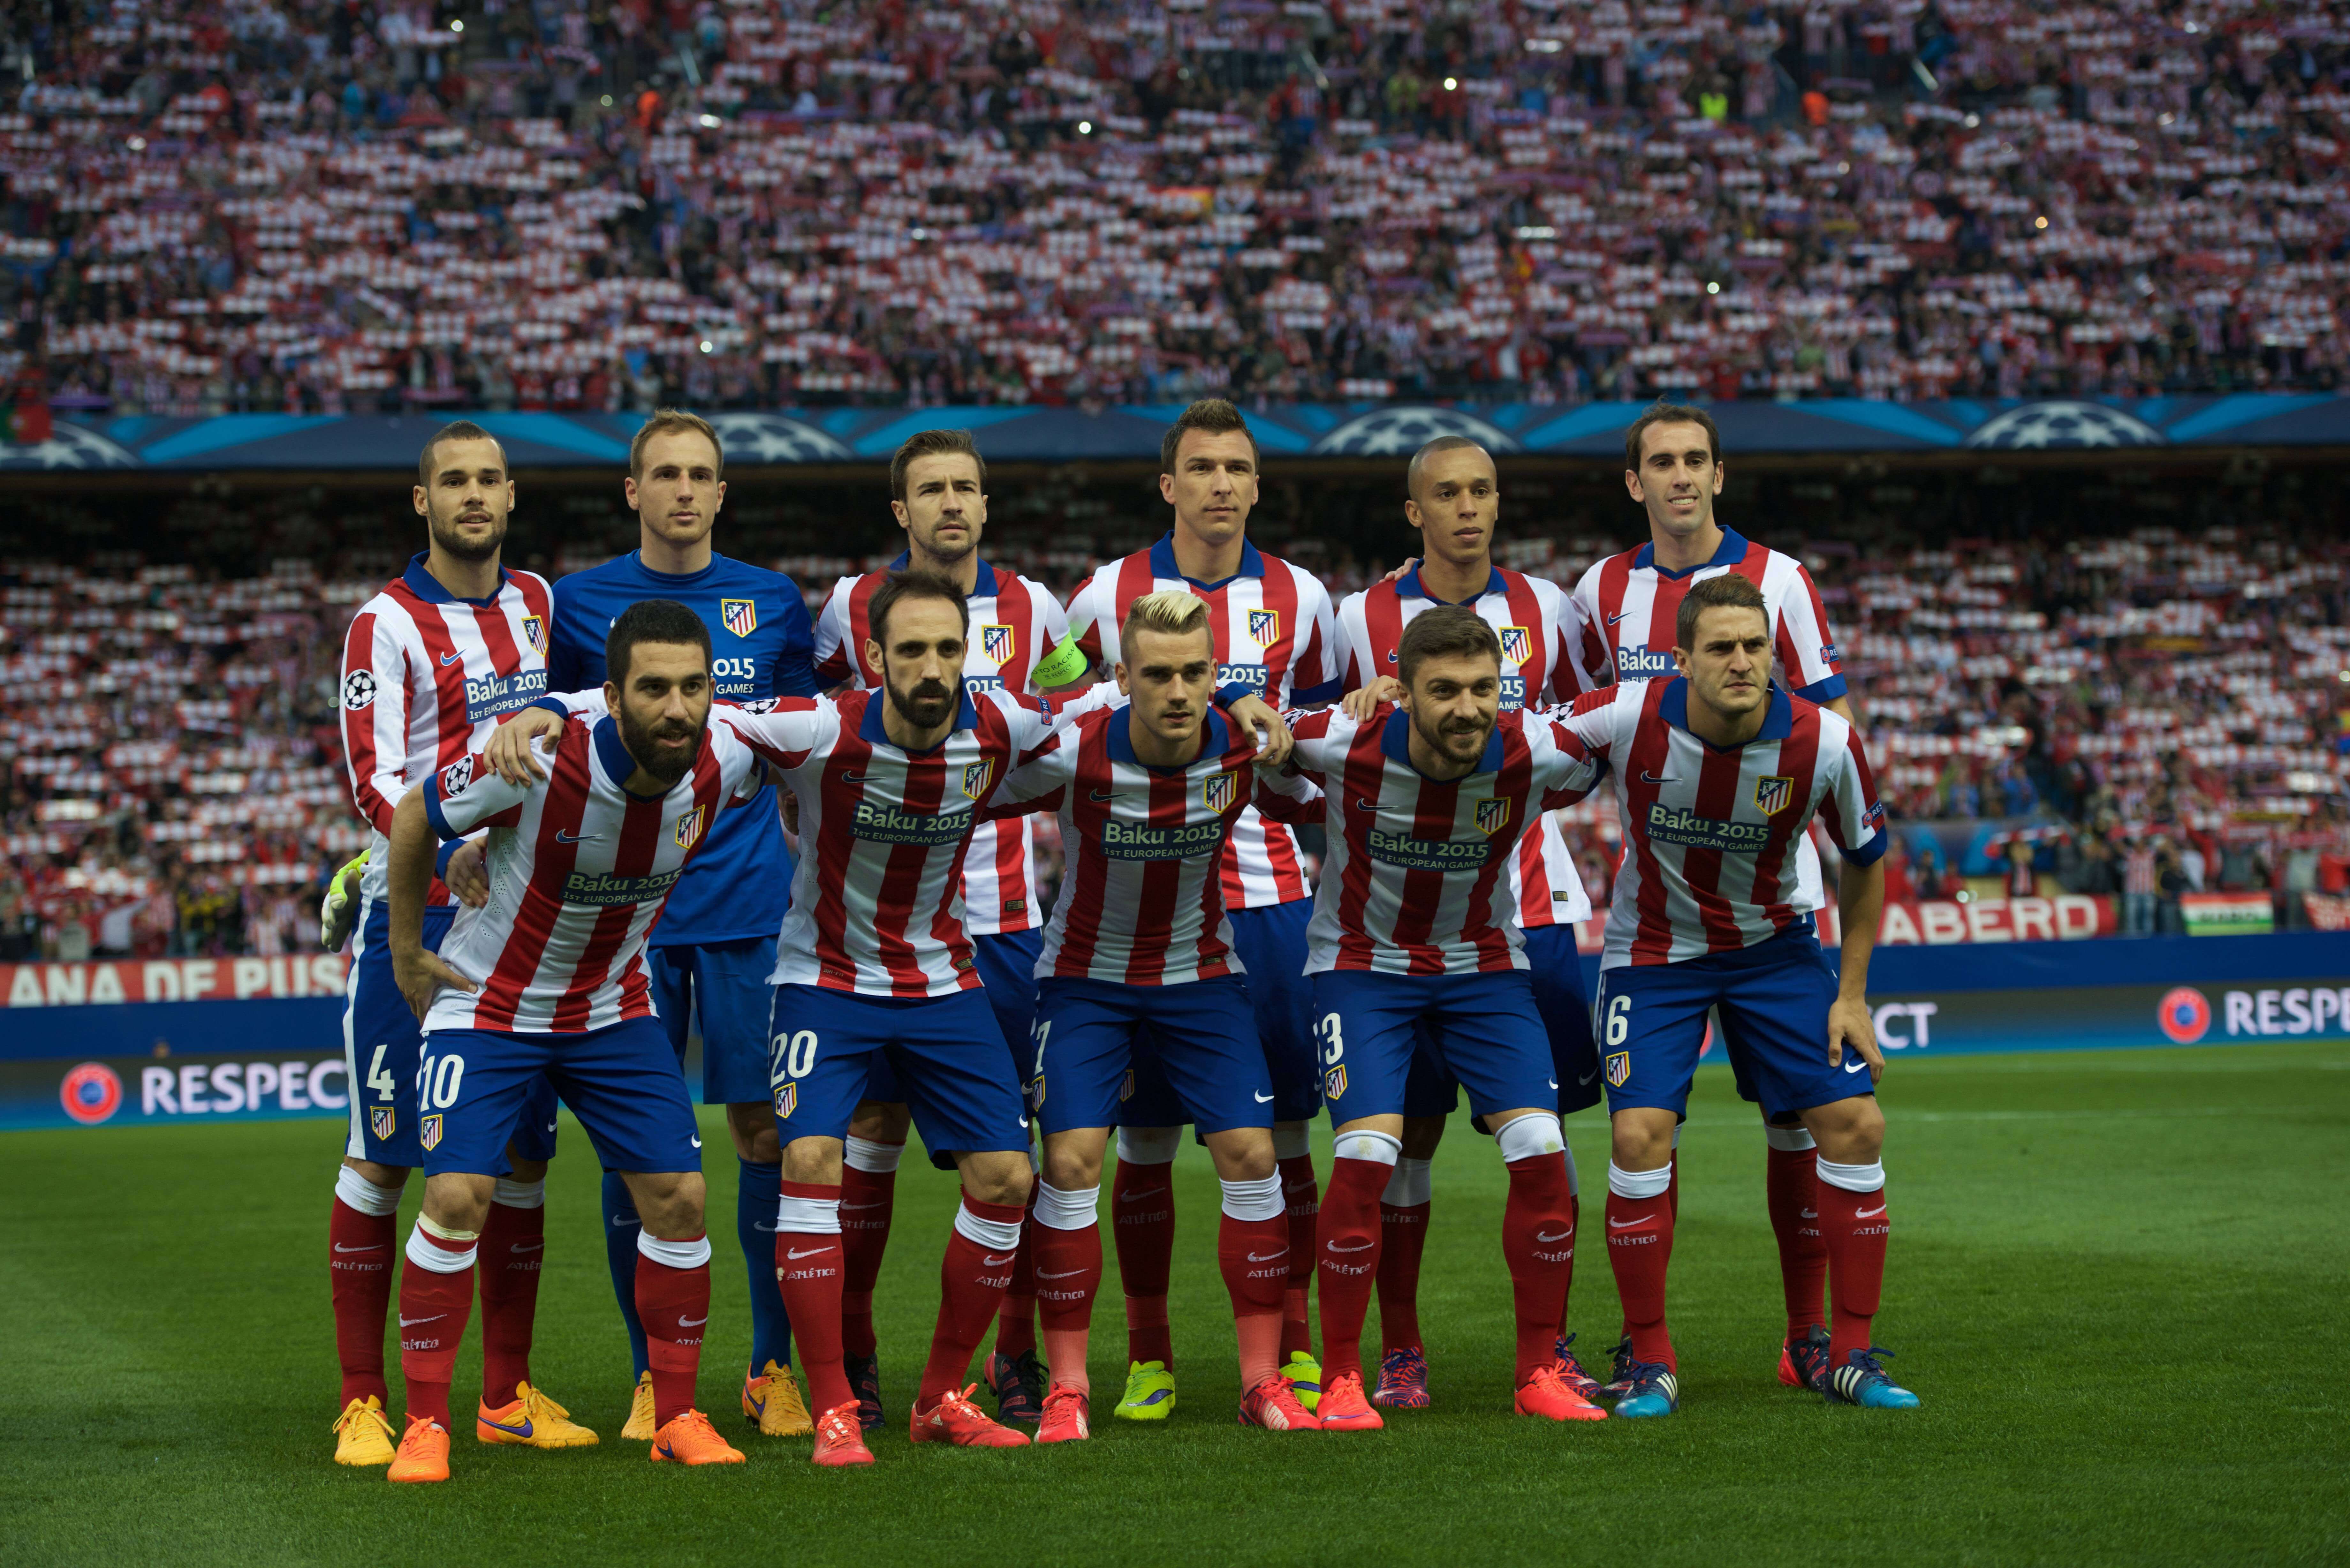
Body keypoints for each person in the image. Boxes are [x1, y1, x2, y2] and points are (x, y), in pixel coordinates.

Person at [378, 599, 770, 1482]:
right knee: (457, 1200)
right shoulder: (536, 756)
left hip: (610, 1010)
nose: (678, 708)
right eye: (654, 689)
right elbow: (412, 818)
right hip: (489, 1007)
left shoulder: (730, 749)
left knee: (678, 1197)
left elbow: (830, 732)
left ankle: (675, 1416)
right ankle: (430, 1425)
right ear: (614, 695)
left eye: (694, 688)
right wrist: (409, 955)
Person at [1547, 573, 1918, 1415]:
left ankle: (1846, 1354)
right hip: (1653, 953)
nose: (1741, 661)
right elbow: (1511, 747)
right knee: (1640, 1134)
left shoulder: (1826, 742)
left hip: (1774, 953)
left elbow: (1866, 862)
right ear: (1682, 659)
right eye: (1720, 647)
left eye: (1755, 646)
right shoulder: (1627, 715)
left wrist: (1851, 994)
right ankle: (1650, 1360)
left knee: (1856, 1123)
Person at [518, 408, 819, 1442]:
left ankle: (767, 1369)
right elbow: (549, 737)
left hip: (746, 910)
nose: (685, 490)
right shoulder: (578, 605)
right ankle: (654, 1376)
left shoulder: (773, 603)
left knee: (763, 1130)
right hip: (621, 920)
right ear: (633, 491)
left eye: (702, 475)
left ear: (722, 494)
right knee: (633, 1153)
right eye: (666, 474)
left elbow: (801, 745)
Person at [1564, 400, 1860, 1394]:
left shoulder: (1780, 581)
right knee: (1644, 1129)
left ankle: (1809, 1338)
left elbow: (1829, 729)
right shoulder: (1601, 589)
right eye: (1661, 461)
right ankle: (1647, 1351)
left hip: (1780, 904)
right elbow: (1561, 713)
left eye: (1697, 459)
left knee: (1800, 1125)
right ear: (1634, 482)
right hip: (1657, 914)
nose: (1681, 476)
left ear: (1719, 475)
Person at [988, 591, 1325, 1438]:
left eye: (1195, 674)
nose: (1178, 692)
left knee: (1255, 1153)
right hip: (1085, 984)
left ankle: (1260, 1382)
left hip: (1201, 979)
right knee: (1068, 1166)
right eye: (1157, 675)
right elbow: (971, 775)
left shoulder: (1245, 748)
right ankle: (1068, 1388)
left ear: (1218, 679)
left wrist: (1379, 693)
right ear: (1123, 680)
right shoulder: (1072, 752)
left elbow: (1342, 758)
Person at [1061, 397, 1337, 1420]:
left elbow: (1325, 729)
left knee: (1286, 1129)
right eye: (1202, 467)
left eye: (1238, 467)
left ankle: (1294, 1347)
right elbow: (1056, 710)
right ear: (1169, 485)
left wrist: (1281, 722)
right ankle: (1149, 1354)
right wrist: (1220, 706)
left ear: (1258, 485)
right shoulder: (1099, 598)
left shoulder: (1304, 596)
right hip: (1134, 901)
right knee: (1139, 1139)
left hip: (1266, 895)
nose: (1222, 483)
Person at [1270, 606, 1611, 1431]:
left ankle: (1539, 1370)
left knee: (1541, 1145)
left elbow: (1614, 738)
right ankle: (1347, 1378)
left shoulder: (1535, 750)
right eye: (1444, 690)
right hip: (1363, 968)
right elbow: (1267, 741)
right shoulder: (1343, 740)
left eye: (1483, 690)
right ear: (1403, 691)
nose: (1467, 708)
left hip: (1483, 966)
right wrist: (1267, 723)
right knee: (1367, 1151)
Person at [807, 427, 1086, 1428]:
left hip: (1001, 920)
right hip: (870, 925)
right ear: (902, 511)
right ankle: (857, 1345)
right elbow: (824, 733)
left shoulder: (1036, 610)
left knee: (1014, 1149)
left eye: (967, 487)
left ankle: (1009, 1357)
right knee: (870, 1137)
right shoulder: (848, 606)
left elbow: (1055, 734)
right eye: (932, 490)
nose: (953, 506)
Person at [327, 421, 582, 1470]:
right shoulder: (381, 624)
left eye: (488, 481)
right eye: (453, 483)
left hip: (525, 924)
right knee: (384, 1160)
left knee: (520, 1155)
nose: (472, 496)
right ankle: (361, 1398)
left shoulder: (539, 602)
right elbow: (371, 780)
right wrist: (451, 850)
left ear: (511, 497)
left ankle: (506, 1394)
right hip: (422, 918)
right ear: (420, 502)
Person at [1331, 435, 1601, 1409]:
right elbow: (1316, 737)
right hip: (1397, 924)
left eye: (1483, 490)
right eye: (1446, 493)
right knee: (1407, 1138)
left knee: (1549, 1134)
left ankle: (1553, 1346)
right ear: (1416, 511)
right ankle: (1398, 1351)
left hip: (1532, 907)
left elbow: (1586, 733)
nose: (1468, 508)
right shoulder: (1355, 616)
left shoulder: (1550, 610)